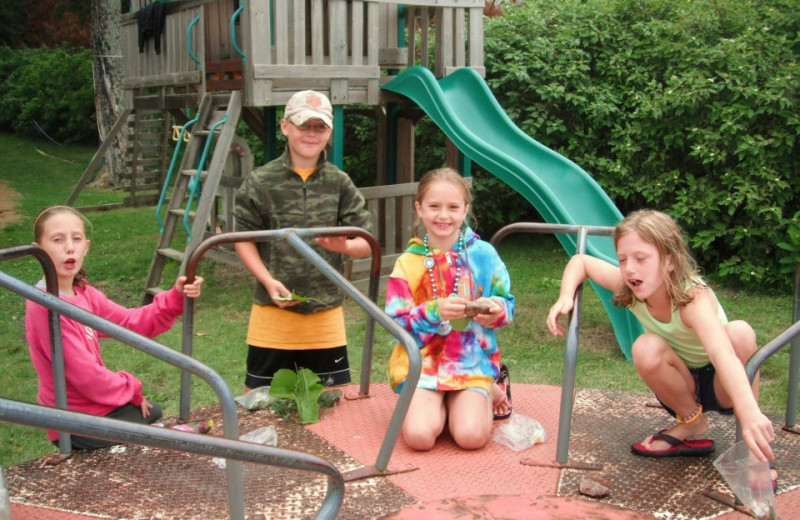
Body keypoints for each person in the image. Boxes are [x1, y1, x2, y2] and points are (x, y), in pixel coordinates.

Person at [546, 210, 775, 465]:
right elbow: (581, 261)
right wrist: (566, 296)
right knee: (645, 347)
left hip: (724, 381)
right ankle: (691, 421)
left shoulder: (692, 298)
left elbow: (723, 355)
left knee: (740, 333)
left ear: (670, 261)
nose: (629, 268)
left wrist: (749, 411)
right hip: (680, 381)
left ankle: (753, 439)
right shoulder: (629, 285)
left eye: (641, 258)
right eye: (622, 259)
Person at [25, 205, 204, 450]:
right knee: (151, 422)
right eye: (57, 240)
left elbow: (130, 323)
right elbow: (85, 376)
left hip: (94, 407)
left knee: (151, 413)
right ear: (38, 252)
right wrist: (132, 387)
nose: (69, 247)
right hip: (71, 421)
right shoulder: (45, 305)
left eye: (76, 239)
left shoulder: (83, 292)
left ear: (86, 247)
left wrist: (175, 297)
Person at [234, 90, 372, 392]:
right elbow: (243, 239)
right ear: (285, 126)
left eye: (319, 127)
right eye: (303, 125)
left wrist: (345, 246)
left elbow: (366, 243)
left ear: (329, 132)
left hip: (325, 314)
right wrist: (268, 282)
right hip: (273, 311)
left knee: (333, 407)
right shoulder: (260, 180)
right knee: (259, 402)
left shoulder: (340, 182)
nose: (311, 134)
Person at [385, 168, 515, 451]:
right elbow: (396, 326)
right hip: (421, 366)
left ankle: (488, 390)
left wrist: (495, 310)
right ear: (419, 208)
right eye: (434, 206)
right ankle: (439, 405)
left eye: (453, 207)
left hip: (470, 362)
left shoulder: (484, 254)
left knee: (471, 438)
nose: (443, 216)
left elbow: (508, 305)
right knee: (419, 438)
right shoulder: (407, 263)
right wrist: (434, 311)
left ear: (465, 210)